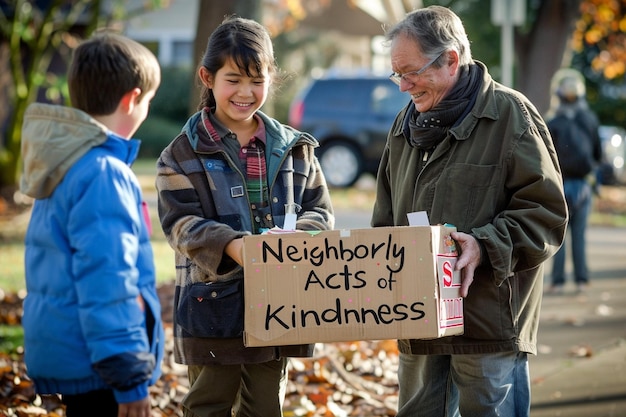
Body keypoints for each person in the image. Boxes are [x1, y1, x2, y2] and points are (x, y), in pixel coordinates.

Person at [371, 6, 568, 417]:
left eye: (411, 73)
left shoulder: (511, 115)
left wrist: (483, 245)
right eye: (397, 74)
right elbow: (385, 221)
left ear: (450, 60)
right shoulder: (403, 126)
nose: (403, 86)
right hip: (419, 322)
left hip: (488, 325)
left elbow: (546, 214)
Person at [155, 16, 334, 417]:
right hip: (212, 307)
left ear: (271, 77)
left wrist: (297, 242)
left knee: (266, 407)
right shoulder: (181, 154)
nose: (245, 92)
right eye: (233, 79)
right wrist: (238, 247)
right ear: (208, 77)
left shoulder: (295, 148)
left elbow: (319, 212)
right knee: (209, 405)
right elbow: (181, 225)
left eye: (257, 80)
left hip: (280, 308)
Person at [20, 32, 164, 417]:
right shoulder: (104, 173)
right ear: (131, 99)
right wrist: (129, 376)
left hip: (76, 353)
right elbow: (108, 280)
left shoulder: (66, 164)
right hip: (103, 367)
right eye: (148, 101)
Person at [546, 68, 602, 295]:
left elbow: (547, 155)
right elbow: (598, 154)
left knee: (559, 236)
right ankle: (582, 280)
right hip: (583, 184)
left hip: (560, 185)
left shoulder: (553, 120)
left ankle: (557, 282)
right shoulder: (589, 119)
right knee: (579, 235)